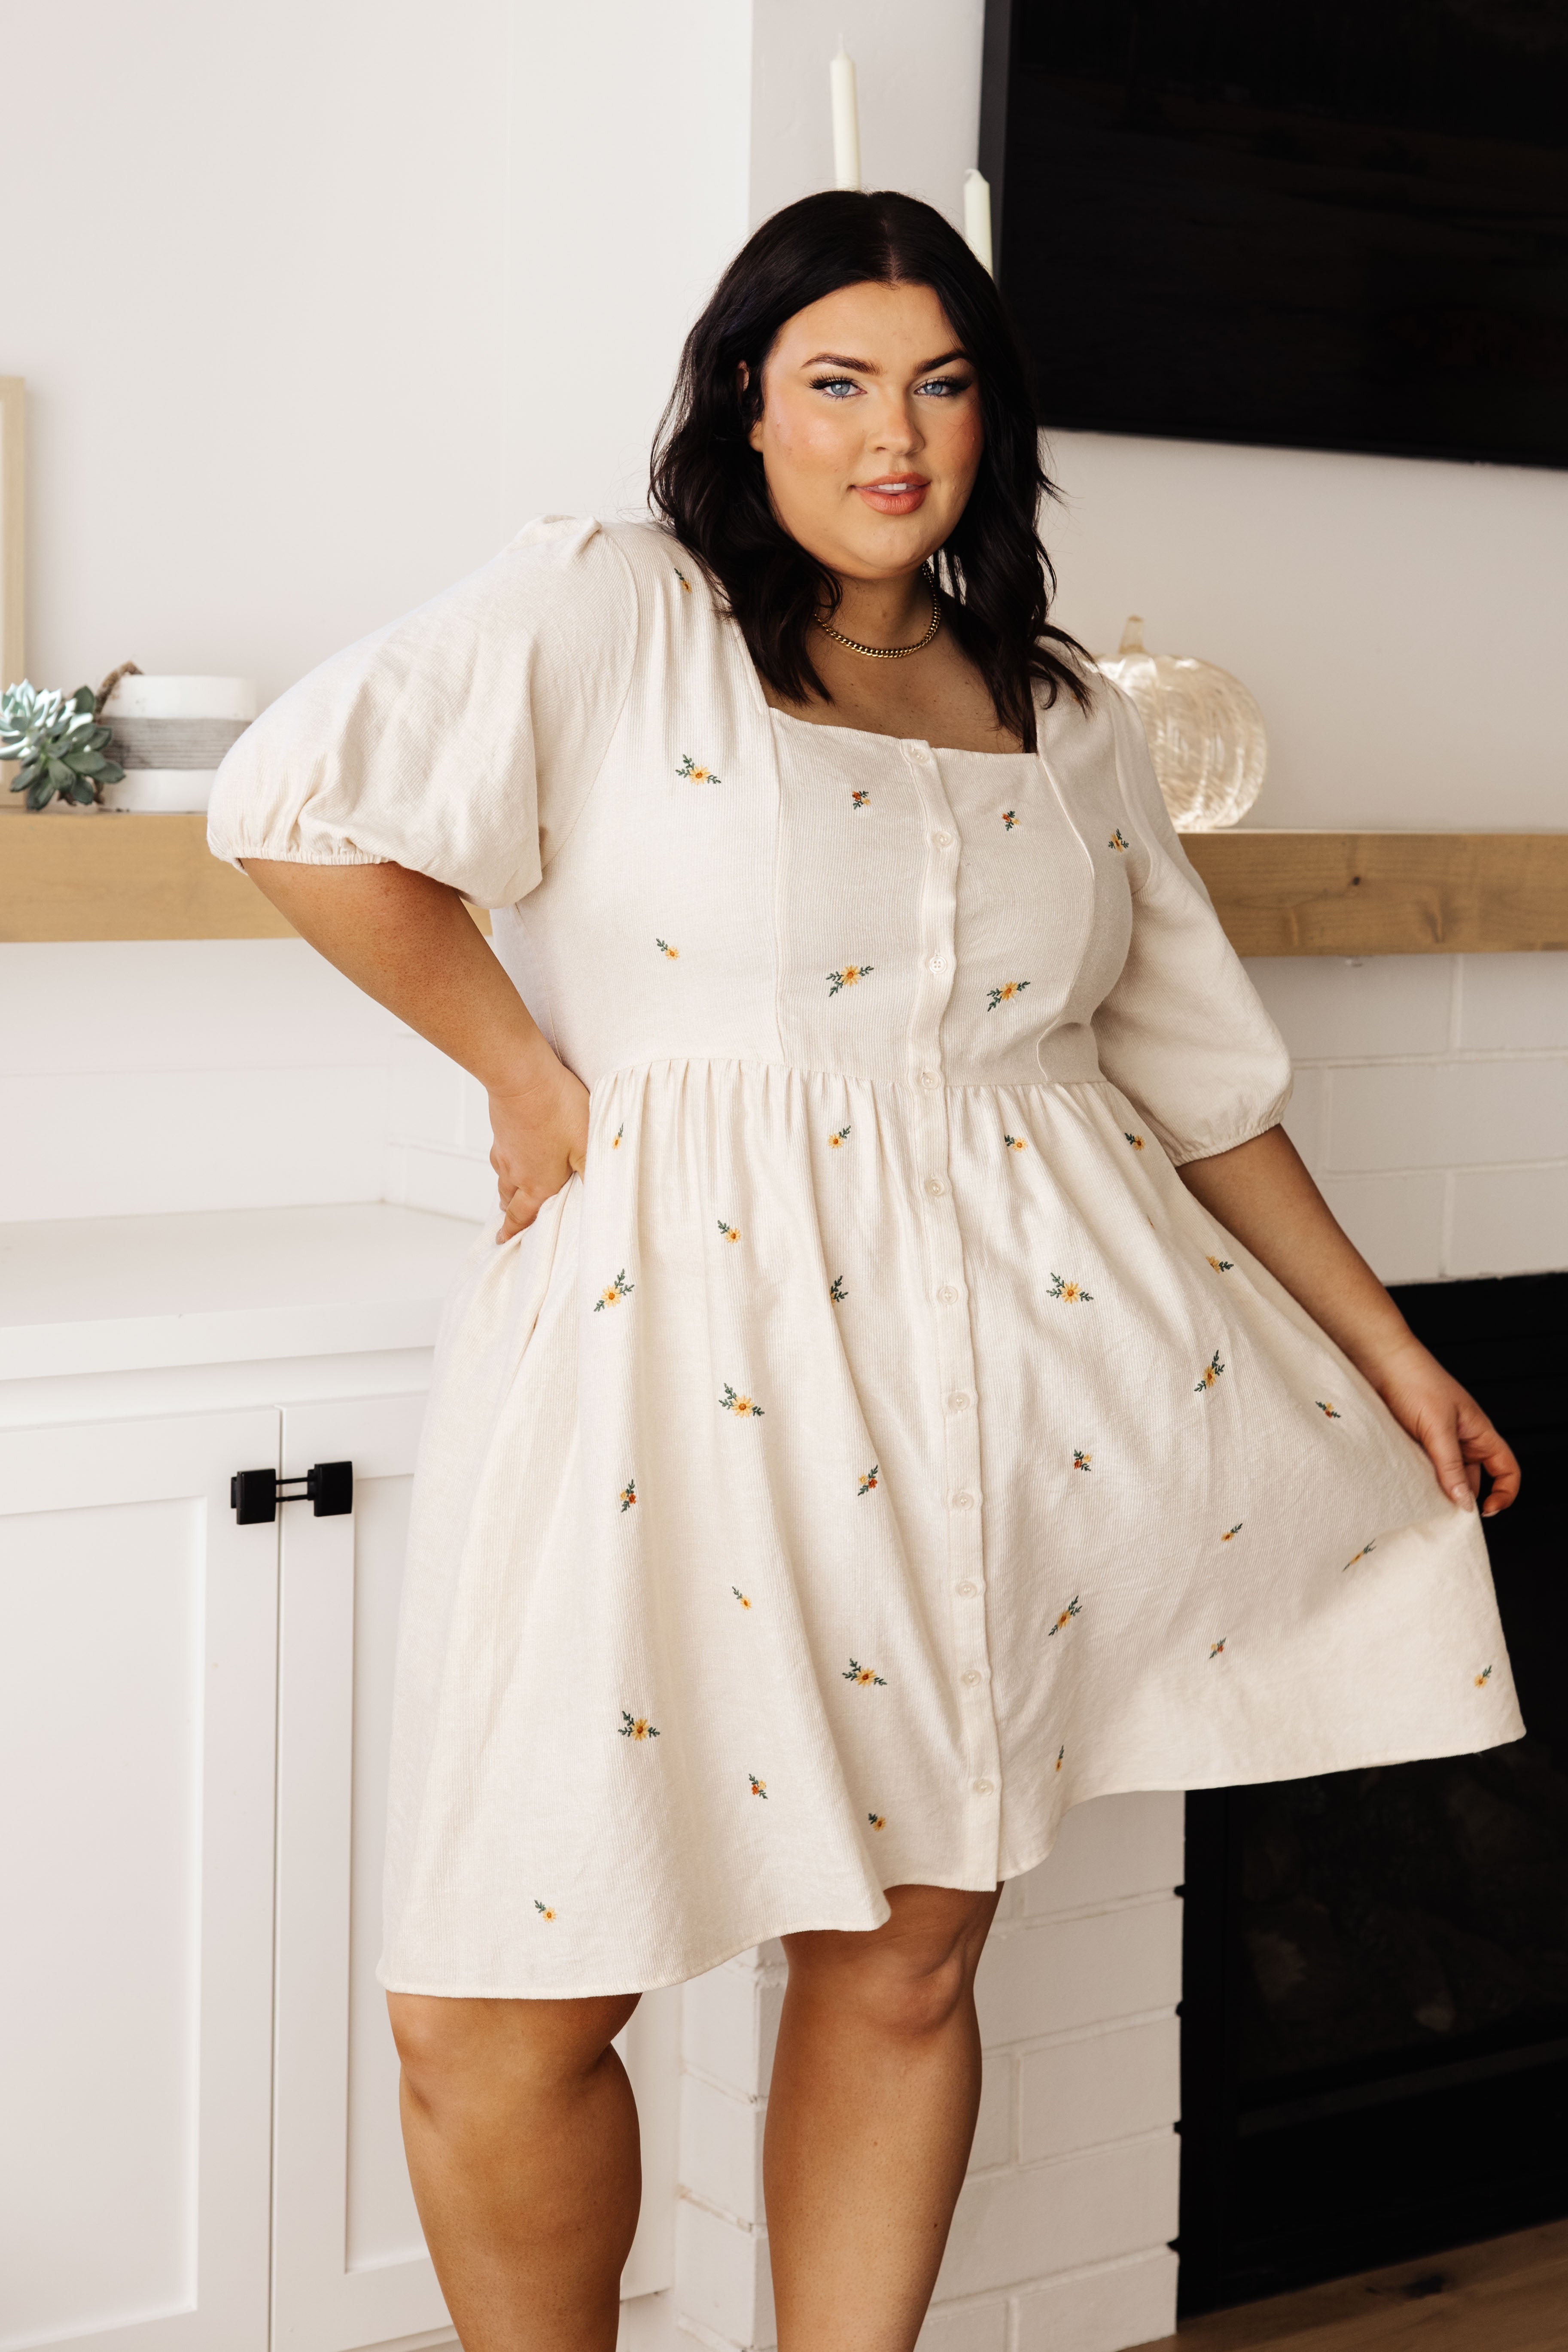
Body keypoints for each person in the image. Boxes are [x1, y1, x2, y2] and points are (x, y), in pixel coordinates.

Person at [209, 190, 1522, 2352]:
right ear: (748, 396)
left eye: (939, 380)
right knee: (495, 2010)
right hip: (665, 1364)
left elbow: (1192, 1076)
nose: (891, 432)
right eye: (837, 379)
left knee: (905, 1952)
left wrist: (1384, 1348)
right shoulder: (614, 609)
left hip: (1018, 1362)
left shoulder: (1063, 709)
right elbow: (294, 801)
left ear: (991, 417)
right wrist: (528, 1085)